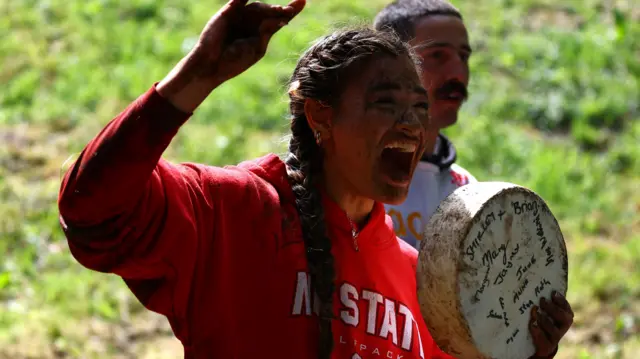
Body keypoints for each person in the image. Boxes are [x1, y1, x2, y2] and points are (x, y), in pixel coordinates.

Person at [57, 0, 573, 358]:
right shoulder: (234, 210)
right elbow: (93, 208)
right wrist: (195, 77)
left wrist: (523, 348)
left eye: (418, 108)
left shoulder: (423, 280)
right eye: (385, 104)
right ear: (320, 116)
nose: (411, 126)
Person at [374, 0, 477, 248]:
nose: (457, 73)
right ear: (386, 67)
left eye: (463, 57)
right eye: (437, 55)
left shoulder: (466, 190)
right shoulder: (353, 178)